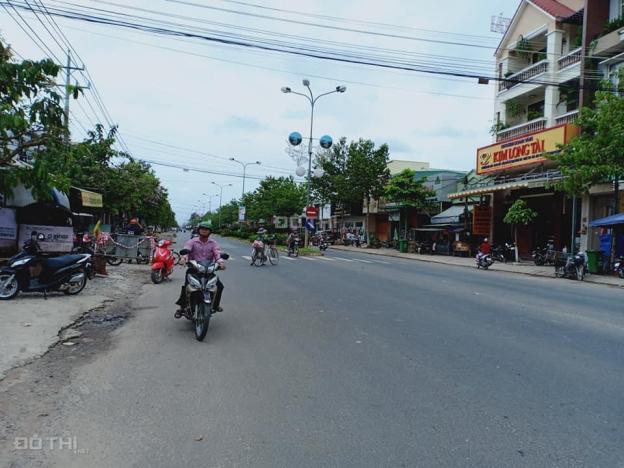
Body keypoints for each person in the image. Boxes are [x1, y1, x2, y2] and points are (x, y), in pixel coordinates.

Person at [175, 222, 225, 318]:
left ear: (210, 232)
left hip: (208, 271)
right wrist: (183, 258)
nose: (204, 230)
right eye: (202, 228)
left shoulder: (213, 243)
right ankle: (182, 307)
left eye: (206, 229)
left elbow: (217, 254)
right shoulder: (192, 241)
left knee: (219, 286)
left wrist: (221, 262)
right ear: (198, 230)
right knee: (186, 286)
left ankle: (215, 305)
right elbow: (186, 250)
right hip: (194, 269)